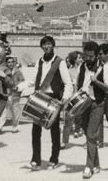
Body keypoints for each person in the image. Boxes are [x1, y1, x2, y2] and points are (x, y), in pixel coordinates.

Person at [29, 36, 73, 170]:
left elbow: (68, 84)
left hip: (53, 99)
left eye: (48, 44)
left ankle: (54, 158)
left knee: (54, 130)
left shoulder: (60, 62)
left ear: (53, 46)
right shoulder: (39, 62)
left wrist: (64, 98)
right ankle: (36, 158)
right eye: (44, 45)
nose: (46, 47)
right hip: (40, 97)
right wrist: (19, 87)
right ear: (41, 47)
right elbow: (32, 80)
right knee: (35, 131)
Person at [76, 41, 108, 179]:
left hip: (97, 103)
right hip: (83, 103)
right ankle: (96, 163)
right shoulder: (82, 66)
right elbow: (77, 83)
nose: (88, 59)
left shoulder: (104, 68)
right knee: (87, 134)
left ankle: (88, 167)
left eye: (91, 57)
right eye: (86, 56)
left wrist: (96, 81)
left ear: (97, 55)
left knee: (91, 135)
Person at [61, 50, 83, 148]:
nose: (81, 59)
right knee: (68, 118)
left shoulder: (84, 70)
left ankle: (79, 130)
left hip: (82, 96)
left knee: (82, 116)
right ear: (74, 59)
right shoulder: (69, 71)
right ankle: (64, 141)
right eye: (79, 58)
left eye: (82, 58)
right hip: (71, 97)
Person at [0, 56, 25, 133]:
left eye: (11, 62)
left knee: (15, 111)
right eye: (8, 62)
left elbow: (22, 82)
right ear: (6, 63)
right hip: (6, 93)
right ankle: (0, 126)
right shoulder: (4, 71)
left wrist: (16, 86)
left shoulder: (18, 72)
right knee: (3, 111)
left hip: (15, 94)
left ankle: (15, 126)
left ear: (14, 63)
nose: (10, 64)